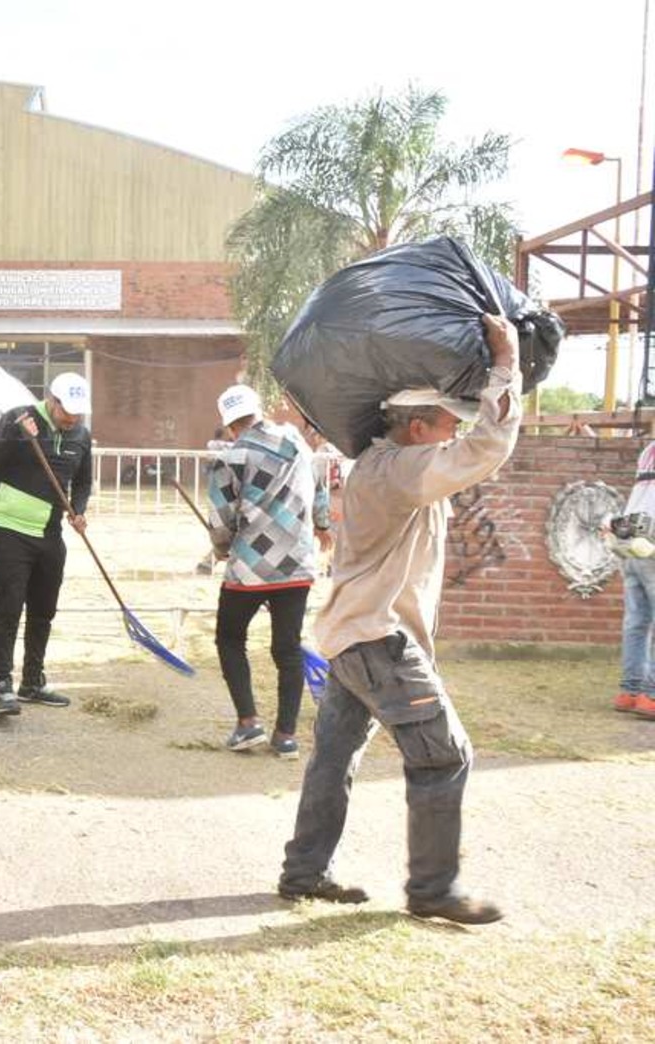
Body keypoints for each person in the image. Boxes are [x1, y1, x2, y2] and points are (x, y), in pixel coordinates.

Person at [278, 312, 521, 926]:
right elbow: (487, 448)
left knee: (333, 758)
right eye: (445, 425)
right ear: (416, 426)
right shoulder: (402, 469)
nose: (452, 436)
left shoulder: (385, 467)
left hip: (350, 637)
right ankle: (433, 890)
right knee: (445, 755)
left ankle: (304, 872)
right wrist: (507, 366)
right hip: (378, 640)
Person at [206, 384, 332, 760]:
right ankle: (286, 736)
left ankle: (248, 724)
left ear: (229, 425)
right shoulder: (296, 442)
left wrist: (221, 547)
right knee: (287, 648)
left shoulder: (231, 457)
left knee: (229, 639)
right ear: (258, 411)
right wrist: (322, 526)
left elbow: (220, 519)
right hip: (296, 562)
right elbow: (320, 487)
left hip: (249, 566)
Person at [0, 372, 93, 716]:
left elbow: (83, 481)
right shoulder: (19, 418)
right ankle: (3, 683)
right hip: (7, 527)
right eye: (66, 410)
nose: (72, 418)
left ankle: (33, 680)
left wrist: (79, 510)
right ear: (51, 400)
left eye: (78, 413)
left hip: (49, 532)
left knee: (43, 610)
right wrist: (16, 436)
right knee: (9, 607)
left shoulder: (82, 436)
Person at [614, 435, 655, 718]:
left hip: (630, 539)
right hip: (652, 540)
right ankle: (651, 696)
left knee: (636, 622)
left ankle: (630, 692)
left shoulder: (649, 449)